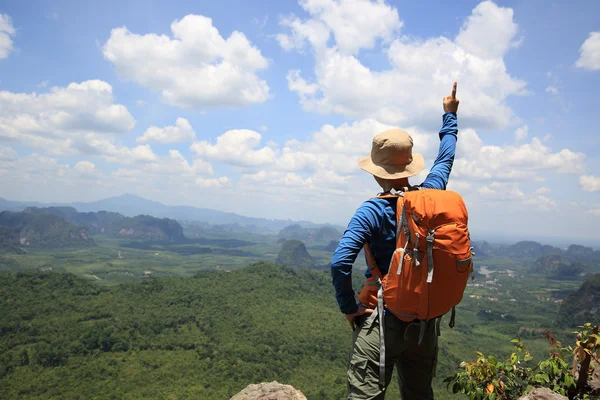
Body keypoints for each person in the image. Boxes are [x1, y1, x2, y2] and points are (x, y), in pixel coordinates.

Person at [331, 83, 460, 399]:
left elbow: (340, 263)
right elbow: (445, 160)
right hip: (425, 324)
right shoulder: (430, 196)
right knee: (418, 393)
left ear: (377, 170)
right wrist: (450, 116)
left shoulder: (371, 210)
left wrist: (349, 309)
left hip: (382, 319)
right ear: (408, 164)